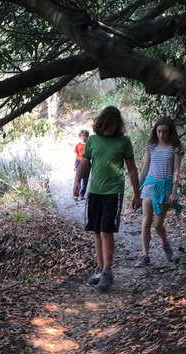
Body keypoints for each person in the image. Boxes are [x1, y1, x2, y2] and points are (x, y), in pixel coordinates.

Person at [73, 106, 140, 292]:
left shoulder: (123, 141)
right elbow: (84, 163)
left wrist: (137, 194)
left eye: (115, 124)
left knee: (106, 230)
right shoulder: (93, 140)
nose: (112, 127)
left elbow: (132, 169)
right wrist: (77, 181)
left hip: (113, 192)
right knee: (96, 230)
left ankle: (108, 272)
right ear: (102, 122)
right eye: (109, 124)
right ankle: (100, 268)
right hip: (94, 192)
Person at [134, 115, 184, 267]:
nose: (161, 135)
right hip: (149, 185)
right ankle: (145, 256)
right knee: (146, 221)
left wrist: (174, 192)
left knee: (157, 224)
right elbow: (144, 170)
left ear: (170, 132)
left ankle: (165, 242)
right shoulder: (151, 147)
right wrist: (136, 191)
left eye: (165, 132)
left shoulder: (175, 149)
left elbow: (176, 170)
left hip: (166, 188)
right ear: (155, 131)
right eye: (159, 131)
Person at [73, 129, 90, 201]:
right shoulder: (78, 145)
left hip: (87, 163)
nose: (83, 137)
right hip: (79, 162)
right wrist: (75, 164)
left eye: (85, 136)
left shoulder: (89, 145)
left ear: (87, 136)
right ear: (79, 136)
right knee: (78, 178)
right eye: (81, 136)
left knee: (85, 179)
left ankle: (82, 194)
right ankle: (76, 194)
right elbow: (76, 155)